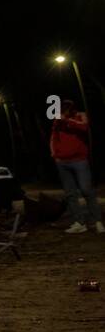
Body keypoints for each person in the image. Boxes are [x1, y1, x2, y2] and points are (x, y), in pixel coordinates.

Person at [50, 99, 103, 234]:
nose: (63, 110)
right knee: (70, 193)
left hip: (79, 160)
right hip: (62, 161)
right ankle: (79, 222)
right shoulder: (57, 121)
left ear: (71, 108)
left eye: (65, 108)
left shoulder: (80, 115)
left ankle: (98, 221)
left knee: (86, 190)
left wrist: (67, 121)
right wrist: (54, 154)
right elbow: (53, 137)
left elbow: (84, 127)